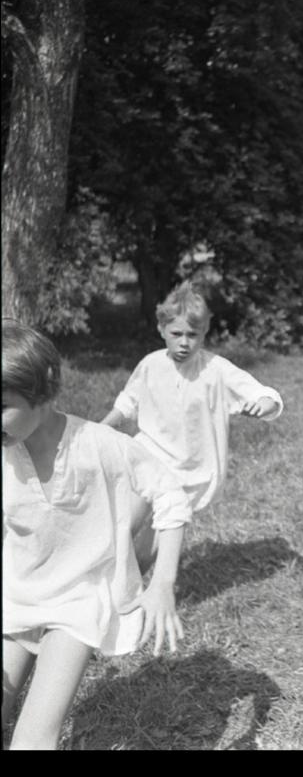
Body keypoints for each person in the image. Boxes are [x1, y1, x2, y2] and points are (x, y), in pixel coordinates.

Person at [2, 320, 193, 750]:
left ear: (43, 392)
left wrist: (162, 583)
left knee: (31, 739)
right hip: (16, 596)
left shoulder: (99, 444)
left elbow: (170, 497)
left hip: (78, 603)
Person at [100, 282, 283, 560]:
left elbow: (264, 394)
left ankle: (130, 596)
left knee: (150, 550)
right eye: (176, 334)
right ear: (161, 330)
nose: (184, 343)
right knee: (124, 526)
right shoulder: (150, 364)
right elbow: (128, 402)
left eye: (192, 335)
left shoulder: (216, 370)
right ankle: (99, 586)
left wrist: (261, 405)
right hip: (149, 458)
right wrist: (102, 427)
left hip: (189, 472)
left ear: (204, 333)